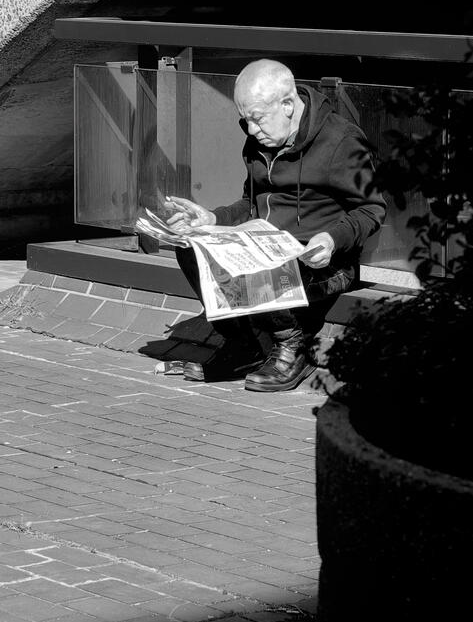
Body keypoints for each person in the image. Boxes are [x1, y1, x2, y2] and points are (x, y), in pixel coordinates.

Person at [163, 58, 387, 392]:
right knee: (190, 247)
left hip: (325, 261)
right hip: (270, 246)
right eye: (245, 120)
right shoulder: (259, 140)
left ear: (287, 104)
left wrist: (330, 239)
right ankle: (243, 345)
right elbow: (250, 203)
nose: (251, 130)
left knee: (262, 265)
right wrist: (213, 219)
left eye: (257, 119)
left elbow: (371, 209)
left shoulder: (341, 141)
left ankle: (291, 348)